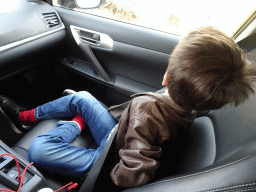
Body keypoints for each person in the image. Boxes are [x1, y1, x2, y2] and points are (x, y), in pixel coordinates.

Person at [0, 26, 255, 188]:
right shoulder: (190, 106)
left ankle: (73, 125)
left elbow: (135, 172)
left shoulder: (148, 113)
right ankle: (28, 116)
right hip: (116, 136)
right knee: (84, 98)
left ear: (166, 77)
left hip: (105, 159)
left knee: (38, 149)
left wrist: (106, 174)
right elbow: (138, 132)